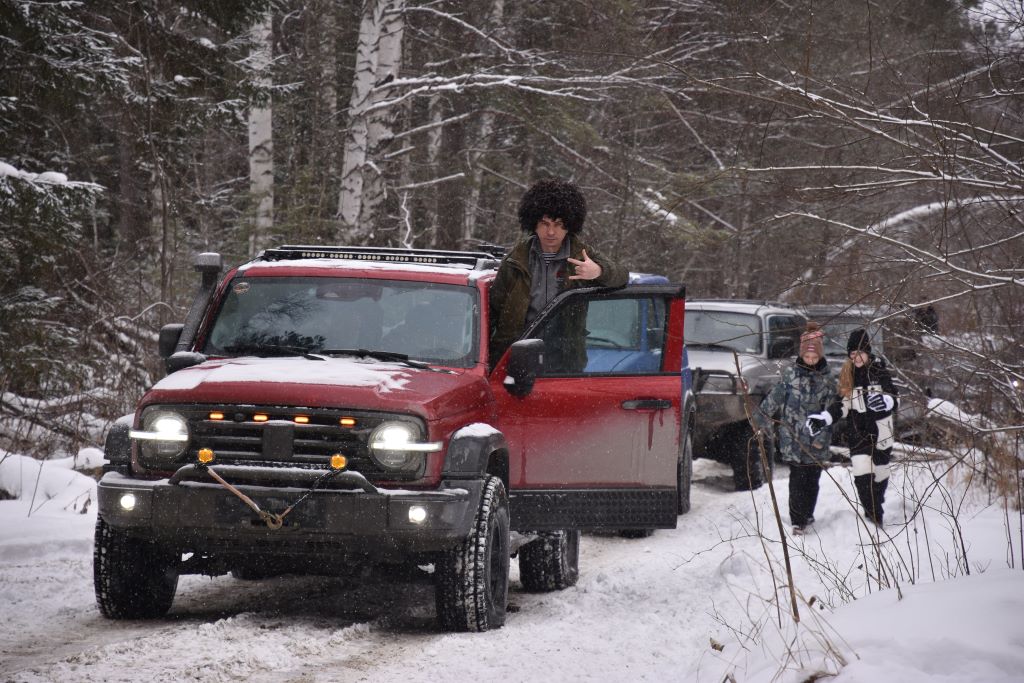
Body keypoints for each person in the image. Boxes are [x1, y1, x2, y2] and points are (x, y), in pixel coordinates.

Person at [488, 179, 628, 368]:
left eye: (558, 224)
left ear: (569, 225)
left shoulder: (582, 255)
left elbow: (622, 276)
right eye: (545, 224)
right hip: (515, 360)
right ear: (533, 223)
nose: (551, 232)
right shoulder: (515, 261)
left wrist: (598, 271)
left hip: (564, 364)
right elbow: (492, 312)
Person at [806, 328, 899, 527]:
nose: (856, 357)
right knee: (862, 478)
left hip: (881, 434)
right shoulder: (848, 374)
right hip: (858, 434)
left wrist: (887, 401)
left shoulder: (879, 370)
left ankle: (875, 509)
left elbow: (894, 396)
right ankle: (874, 518)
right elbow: (842, 405)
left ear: (868, 352)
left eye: (860, 353)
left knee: (880, 477)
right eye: (852, 353)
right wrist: (824, 418)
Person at [754, 322, 837, 534]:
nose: (810, 360)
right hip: (793, 438)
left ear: (820, 356)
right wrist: (760, 419)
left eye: (814, 357)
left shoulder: (827, 380)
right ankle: (797, 520)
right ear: (801, 355)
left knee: (812, 479)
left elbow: (832, 410)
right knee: (797, 479)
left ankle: (808, 513)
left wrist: (823, 432)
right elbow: (774, 398)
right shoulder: (790, 376)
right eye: (807, 356)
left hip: (816, 439)